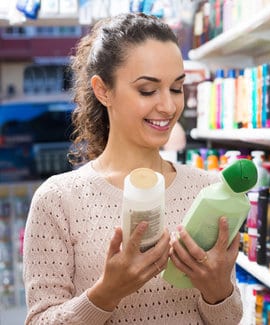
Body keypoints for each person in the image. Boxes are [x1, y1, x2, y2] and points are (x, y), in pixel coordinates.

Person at [23, 13, 242, 324]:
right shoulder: (59, 199)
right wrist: (106, 293)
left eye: (176, 88)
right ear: (103, 90)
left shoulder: (208, 189)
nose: (168, 106)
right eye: (148, 90)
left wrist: (217, 290)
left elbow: (229, 319)